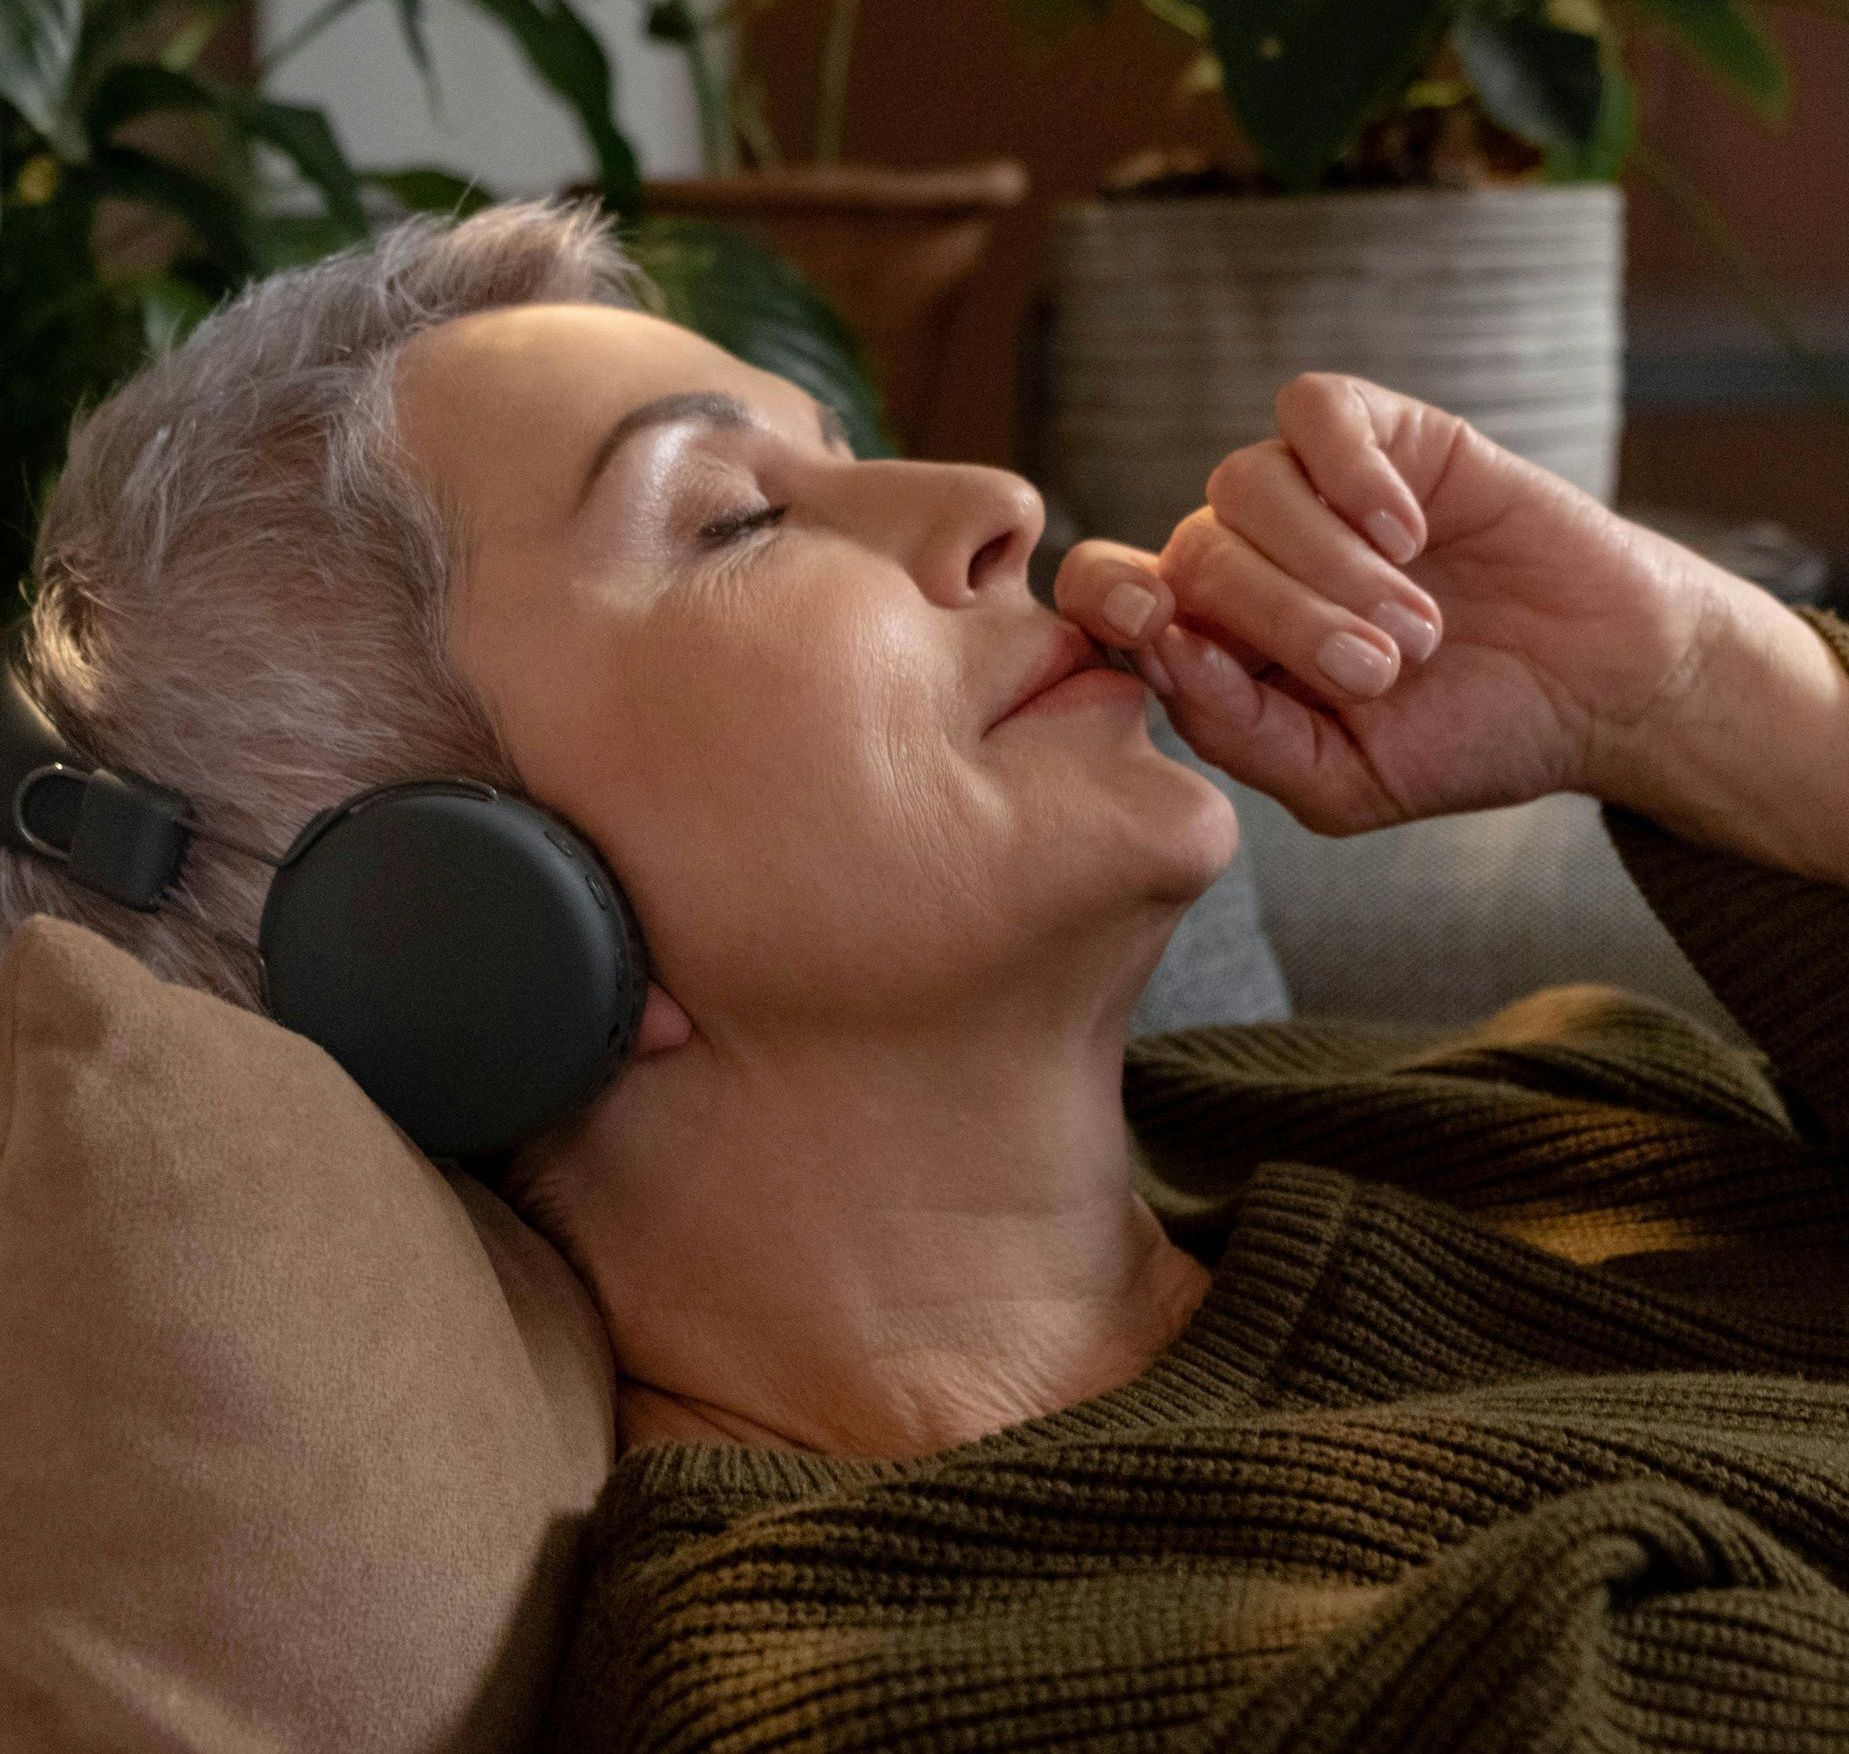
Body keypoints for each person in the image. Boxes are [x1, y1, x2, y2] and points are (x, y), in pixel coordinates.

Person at [15, 200, 1849, 1747]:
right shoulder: (903, 1678)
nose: (992, 495)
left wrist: (1714, 707)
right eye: (737, 516)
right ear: (462, 930)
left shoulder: (1523, 1104)